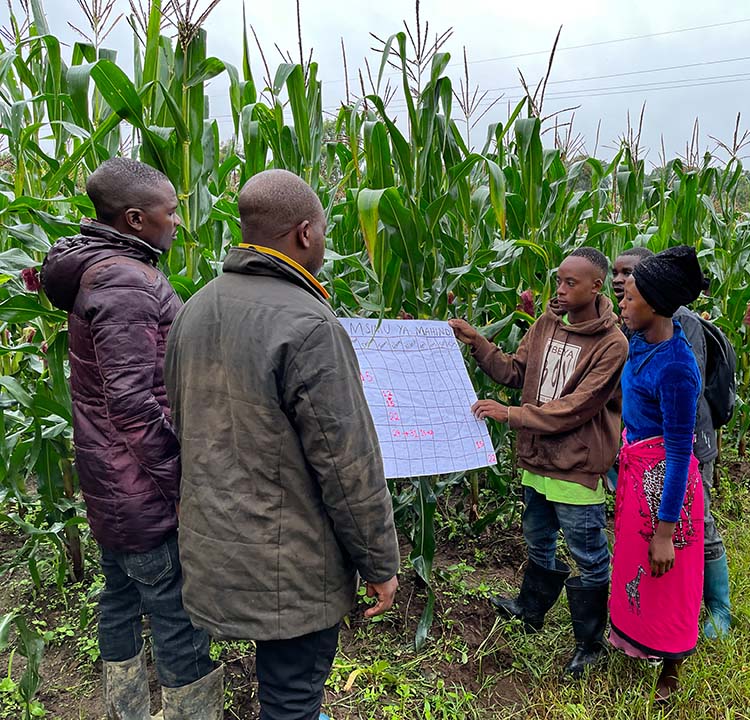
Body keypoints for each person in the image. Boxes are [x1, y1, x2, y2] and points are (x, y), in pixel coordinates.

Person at [164, 169, 400, 720]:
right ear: (304, 234)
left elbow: (184, 423)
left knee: (283, 687)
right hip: (288, 559)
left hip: (215, 545)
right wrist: (380, 563)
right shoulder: (310, 324)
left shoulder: (194, 307)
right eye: (323, 230)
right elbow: (347, 464)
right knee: (292, 698)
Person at [41, 158, 221, 719]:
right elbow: (135, 405)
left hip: (111, 482)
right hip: (141, 489)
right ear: (138, 219)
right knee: (175, 614)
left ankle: (127, 710)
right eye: (171, 212)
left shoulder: (101, 269)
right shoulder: (125, 281)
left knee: (119, 598)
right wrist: (182, 482)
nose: (177, 223)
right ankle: (193, 710)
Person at [449, 248, 628, 677]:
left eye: (571, 283)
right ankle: (530, 609)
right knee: (538, 538)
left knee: (588, 553)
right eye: (559, 281)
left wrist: (511, 415)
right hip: (536, 459)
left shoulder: (612, 344)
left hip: (576, 465)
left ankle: (590, 642)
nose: (560, 290)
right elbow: (515, 372)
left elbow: (577, 408)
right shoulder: (546, 324)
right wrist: (478, 343)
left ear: (596, 286)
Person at [612, 246, 732, 638]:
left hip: (687, 443)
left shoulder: (679, 337)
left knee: (694, 527)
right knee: (650, 537)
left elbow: (683, 401)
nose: (619, 286)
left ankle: (717, 608)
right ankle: (644, 618)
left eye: (628, 278)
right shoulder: (639, 331)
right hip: (645, 453)